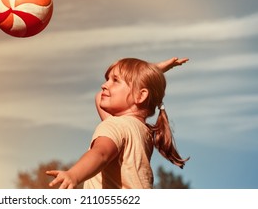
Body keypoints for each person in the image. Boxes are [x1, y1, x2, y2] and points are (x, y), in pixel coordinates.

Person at [46, 57, 189, 189]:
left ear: (141, 95)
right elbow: (99, 98)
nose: (104, 85)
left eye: (115, 80)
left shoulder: (115, 126)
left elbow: (101, 154)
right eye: (107, 79)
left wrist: (74, 174)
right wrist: (150, 73)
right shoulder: (140, 131)